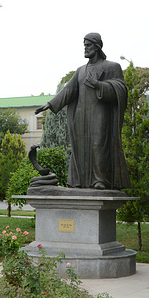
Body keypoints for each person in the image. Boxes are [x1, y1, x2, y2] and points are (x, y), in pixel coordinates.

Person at [35, 32, 130, 190]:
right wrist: (50, 104)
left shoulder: (111, 67)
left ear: (97, 46)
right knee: (80, 147)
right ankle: (80, 181)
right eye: (84, 45)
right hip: (81, 115)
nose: (85, 48)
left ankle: (101, 180)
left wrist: (99, 85)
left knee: (98, 145)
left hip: (100, 113)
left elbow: (120, 89)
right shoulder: (81, 71)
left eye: (88, 45)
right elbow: (68, 91)